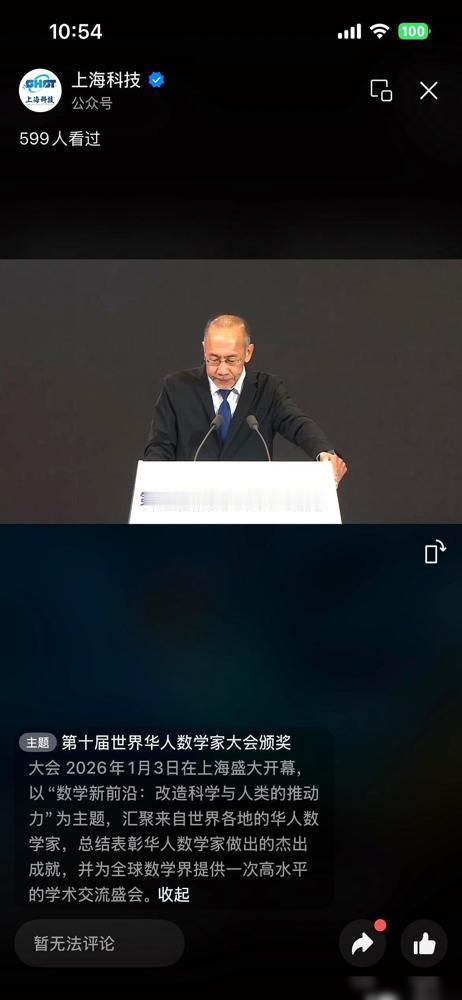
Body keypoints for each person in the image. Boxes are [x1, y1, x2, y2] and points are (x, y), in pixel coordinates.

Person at [144, 314, 347, 484]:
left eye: (231, 360)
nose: (222, 370)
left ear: (248, 352)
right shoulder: (177, 388)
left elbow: (296, 423)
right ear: (204, 349)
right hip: (191, 500)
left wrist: (324, 453)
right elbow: (159, 446)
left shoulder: (268, 389)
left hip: (250, 502)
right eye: (213, 359)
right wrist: (154, 483)